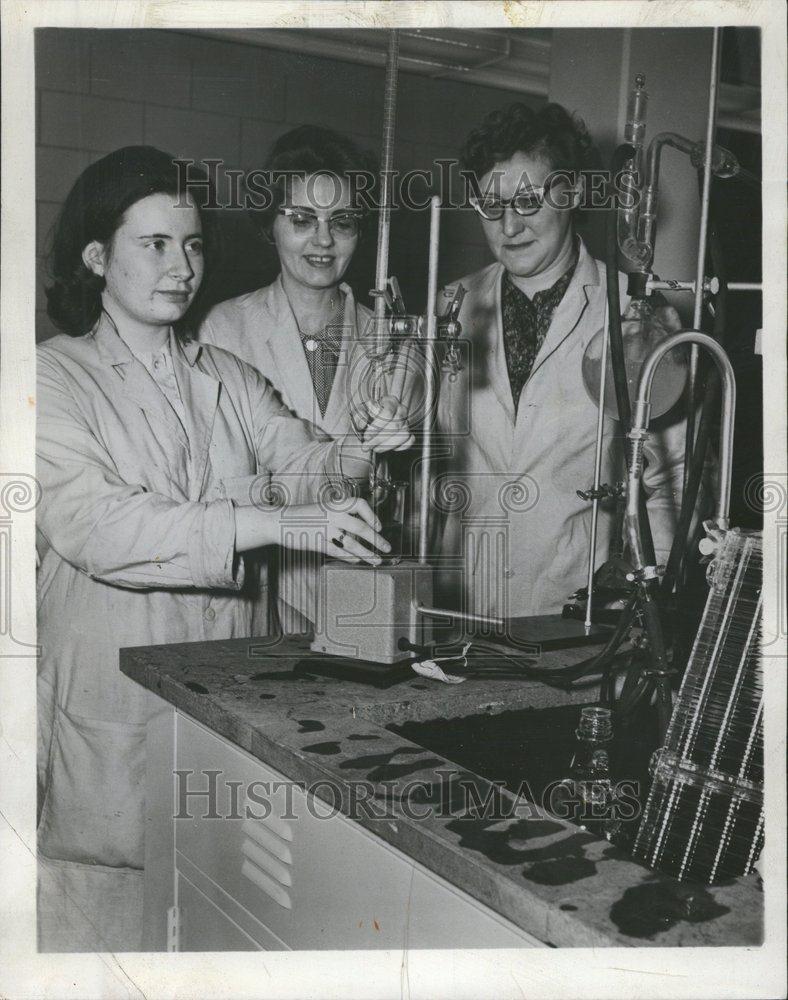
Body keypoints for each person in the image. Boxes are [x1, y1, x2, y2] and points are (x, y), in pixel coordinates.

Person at [36, 145, 413, 952]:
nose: (182, 266)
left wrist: (368, 449)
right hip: (115, 702)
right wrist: (271, 523)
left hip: (231, 693)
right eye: (156, 244)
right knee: (107, 938)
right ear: (97, 256)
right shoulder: (52, 378)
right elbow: (100, 525)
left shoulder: (225, 375)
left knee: (218, 920)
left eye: (195, 244)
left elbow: (306, 461)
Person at [432, 103, 688, 621]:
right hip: (458, 606)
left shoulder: (639, 316)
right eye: (491, 205)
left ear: (569, 193)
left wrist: (641, 596)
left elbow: (671, 480)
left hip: (578, 615)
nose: (509, 225)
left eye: (528, 200)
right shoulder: (451, 304)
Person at [199, 125, 381, 630]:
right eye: (302, 219)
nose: (323, 240)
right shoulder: (224, 327)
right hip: (258, 587)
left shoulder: (390, 338)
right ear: (270, 225)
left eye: (341, 221)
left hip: (357, 587)